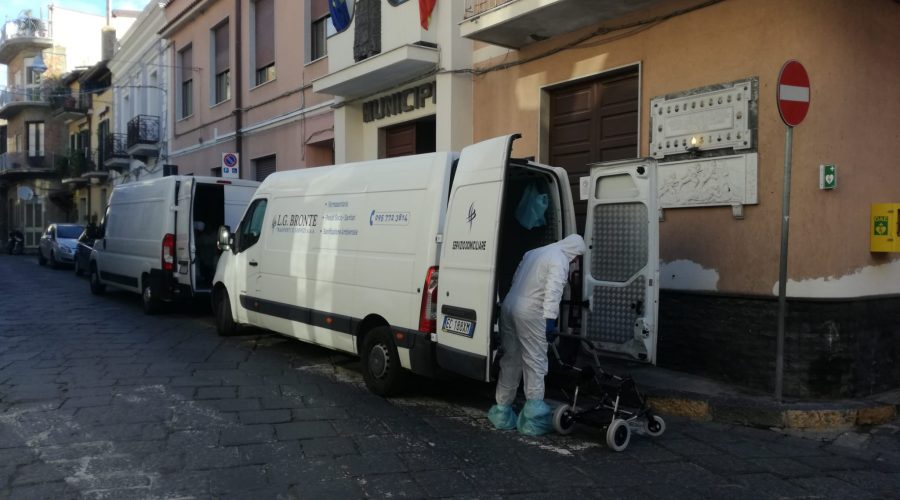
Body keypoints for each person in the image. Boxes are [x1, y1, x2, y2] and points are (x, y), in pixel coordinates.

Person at [488, 233, 586, 435]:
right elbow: (554, 290)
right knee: (535, 361)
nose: (575, 261)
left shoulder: (534, 253)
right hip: (531, 312)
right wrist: (550, 320)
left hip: (509, 306)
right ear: (574, 251)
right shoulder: (559, 258)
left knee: (511, 359)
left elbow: (516, 279)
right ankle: (533, 419)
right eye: (577, 257)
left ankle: (502, 411)